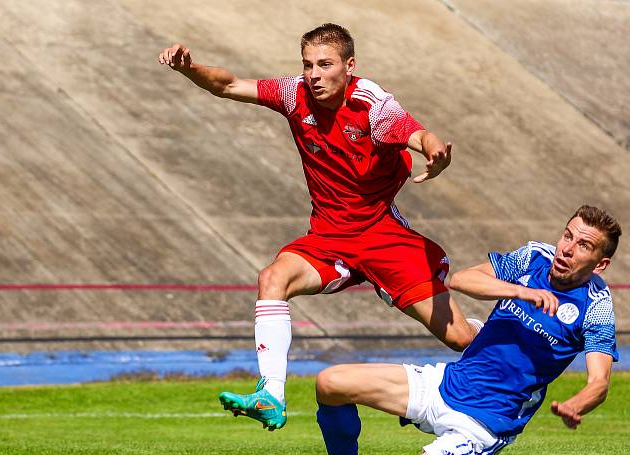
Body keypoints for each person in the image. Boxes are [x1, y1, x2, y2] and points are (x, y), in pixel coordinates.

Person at [159, 23, 479, 431]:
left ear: (349, 66)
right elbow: (229, 84)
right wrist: (190, 68)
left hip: (383, 236)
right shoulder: (296, 94)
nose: (314, 75)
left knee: (460, 338)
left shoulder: (373, 107)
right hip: (329, 238)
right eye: (308, 65)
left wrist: (436, 153)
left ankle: (515, 346)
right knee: (273, 277)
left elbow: (417, 134)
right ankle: (270, 394)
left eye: (325, 65)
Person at [298, 205, 621, 455]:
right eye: (567, 235)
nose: (567, 248)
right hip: (447, 383)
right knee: (331, 383)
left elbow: (599, 382)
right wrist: (521, 291)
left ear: (600, 263)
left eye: (583, 246)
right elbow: (462, 279)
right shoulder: (533, 258)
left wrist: (575, 405)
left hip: (483, 425)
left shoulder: (596, 306)